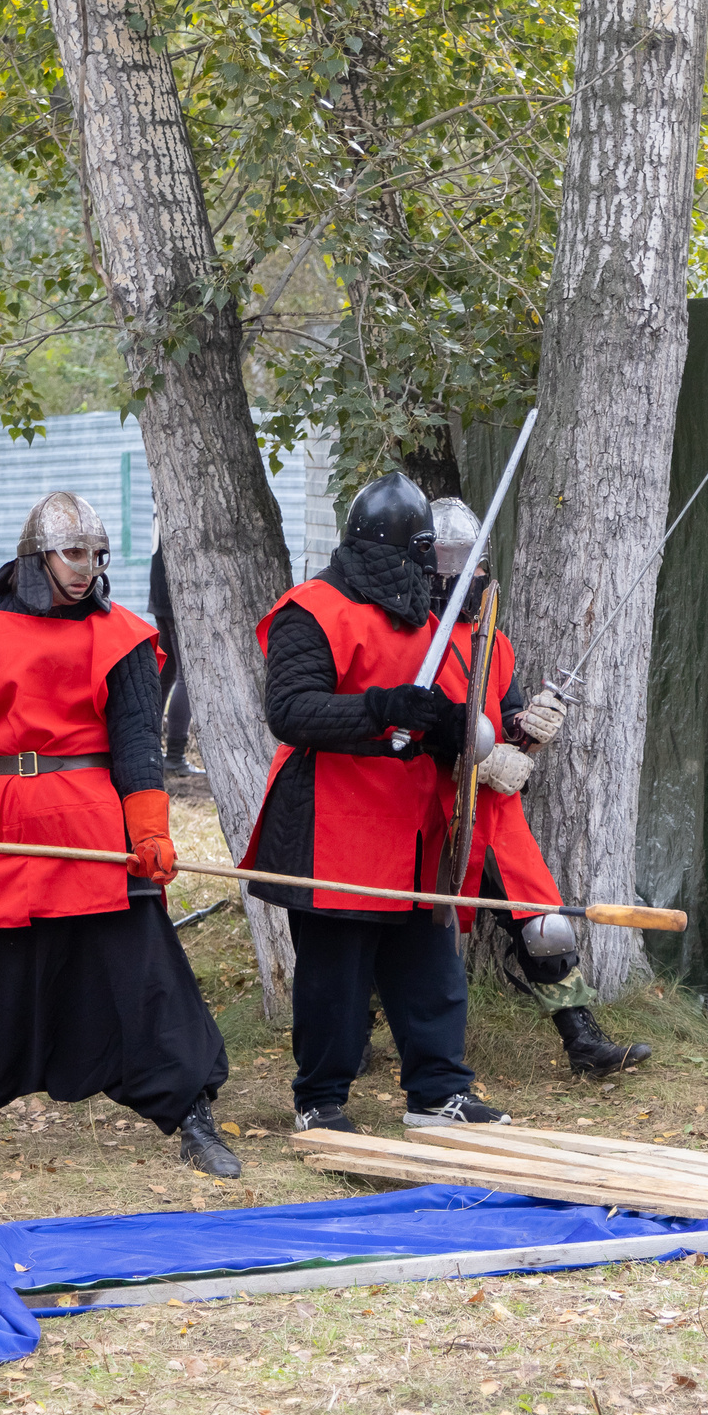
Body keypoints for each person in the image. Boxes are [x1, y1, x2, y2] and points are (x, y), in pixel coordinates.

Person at [0, 492, 240, 1176]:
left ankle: (192, 1112)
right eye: (73, 552)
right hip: (1, 819)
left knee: (140, 968)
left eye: (97, 555)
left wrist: (149, 832)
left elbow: (137, 743)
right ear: (37, 555)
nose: (86, 567)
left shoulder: (121, 636)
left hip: (91, 819)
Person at [245, 470, 510, 1134]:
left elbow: (439, 709)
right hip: (336, 814)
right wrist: (381, 707)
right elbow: (291, 712)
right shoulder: (313, 608)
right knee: (334, 973)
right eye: (423, 551)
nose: (431, 566)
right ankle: (320, 1099)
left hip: (413, 817)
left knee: (429, 965)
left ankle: (437, 1092)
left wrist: (450, 725)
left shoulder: (429, 621)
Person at [425, 498, 650, 1077]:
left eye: (477, 570)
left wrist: (530, 728)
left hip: (494, 812)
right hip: (423, 805)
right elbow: (406, 725)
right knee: (408, 926)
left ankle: (583, 1042)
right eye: (459, 572)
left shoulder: (493, 642)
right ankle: (365, 1039)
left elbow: (505, 716)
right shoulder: (408, 640)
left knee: (543, 923)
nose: (471, 581)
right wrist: (473, 759)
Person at [148, 545, 194, 777]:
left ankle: (150, 750)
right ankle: (175, 756)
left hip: (160, 587)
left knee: (165, 673)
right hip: (177, 591)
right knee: (188, 677)